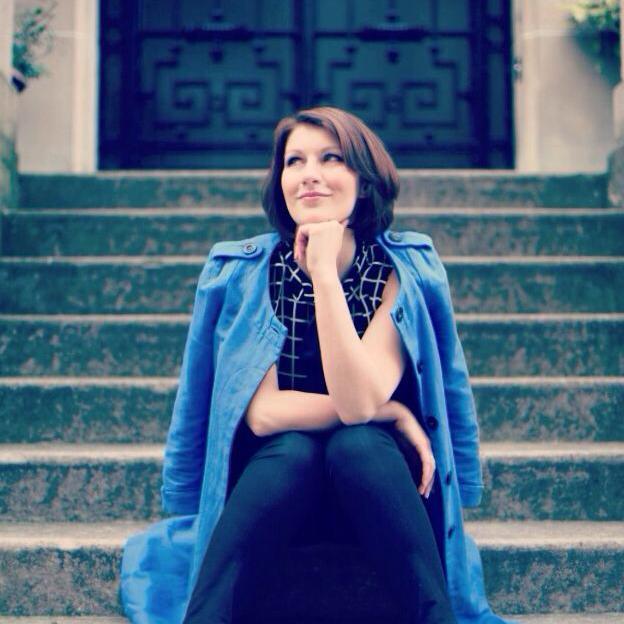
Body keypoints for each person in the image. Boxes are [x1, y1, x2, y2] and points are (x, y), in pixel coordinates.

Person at [120, 107, 513, 624]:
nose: (309, 174)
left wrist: (324, 275)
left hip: (377, 496)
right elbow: (264, 414)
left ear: (364, 181)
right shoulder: (247, 274)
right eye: (294, 161)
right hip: (278, 495)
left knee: (358, 444)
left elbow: (356, 407)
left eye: (331, 159)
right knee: (293, 450)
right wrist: (394, 412)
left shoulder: (399, 273)